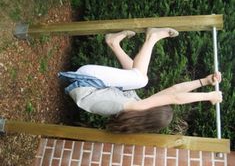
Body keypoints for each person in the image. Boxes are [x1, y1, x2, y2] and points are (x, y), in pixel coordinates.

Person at [59, 28, 222, 133]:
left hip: (87, 81)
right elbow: (173, 91)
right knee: (137, 77)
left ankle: (152, 38)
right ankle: (114, 43)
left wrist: (209, 97)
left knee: (140, 79)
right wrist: (204, 82)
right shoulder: (136, 104)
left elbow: (175, 98)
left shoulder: (133, 106)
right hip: (90, 82)